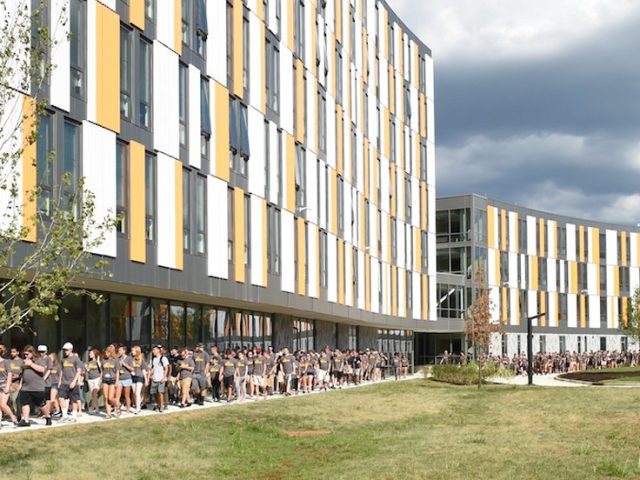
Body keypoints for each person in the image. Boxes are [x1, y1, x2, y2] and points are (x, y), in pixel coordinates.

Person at [18, 345, 51, 427]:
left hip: (37, 387)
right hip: (25, 387)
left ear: (32, 353)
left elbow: (42, 369)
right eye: (24, 354)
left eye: (27, 354)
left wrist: (31, 364)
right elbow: (22, 374)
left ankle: (48, 416)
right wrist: (20, 384)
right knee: (25, 403)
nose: (26, 356)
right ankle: (26, 421)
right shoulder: (24, 361)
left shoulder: (39, 360)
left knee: (40, 404)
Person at [59, 342, 83, 423]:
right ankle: (64, 415)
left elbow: (79, 371)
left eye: (66, 350)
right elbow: (62, 370)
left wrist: (74, 381)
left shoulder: (76, 359)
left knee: (74, 400)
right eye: (64, 350)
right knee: (61, 398)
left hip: (72, 382)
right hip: (64, 382)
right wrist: (60, 380)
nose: (65, 351)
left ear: (71, 350)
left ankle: (74, 416)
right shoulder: (63, 359)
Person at [101, 345, 120, 419]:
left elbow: (117, 371)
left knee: (110, 398)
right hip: (105, 380)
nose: (106, 354)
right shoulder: (103, 360)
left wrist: (117, 381)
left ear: (111, 353)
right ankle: (108, 414)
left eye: (108, 352)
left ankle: (117, 405)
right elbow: (102, 371)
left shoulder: (115, 360)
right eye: (105, 352)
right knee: (106, 398)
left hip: (112, 379)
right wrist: (100, 380)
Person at [149, 345, 170, 412]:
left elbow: (166, 368)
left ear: (158, 350)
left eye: (154, 350)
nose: (153, 351)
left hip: (161, 378)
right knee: (154, 393)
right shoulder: (154, 359)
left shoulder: (163, 358)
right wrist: (150, 375)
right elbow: (154, 368)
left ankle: (161, 406)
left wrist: (164, 378)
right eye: (153, 350)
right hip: (154, 378)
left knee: (160, 392)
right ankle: (158, 404)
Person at [0, 353, 18, 427]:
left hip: (4, 385)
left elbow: (10, 374)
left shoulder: (6, 362)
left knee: (3, 405)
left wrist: (8, 386)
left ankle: (13, 417)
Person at [116, 345, 134, 414]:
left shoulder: (129, 358)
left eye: (120, 350)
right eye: (118, 350)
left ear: (124, 351)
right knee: (118, 395)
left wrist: (125, 365)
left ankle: (128, 409)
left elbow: (132, 369)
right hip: (120, 379)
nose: (119, 352)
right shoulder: (118, 359)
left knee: (127, 395)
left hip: (127, 378)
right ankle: (117, 409)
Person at [131, 346, 148, 414]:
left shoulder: (141, 360)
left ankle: (137, 407)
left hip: (139, 377)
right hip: (133, 377)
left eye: (133, 351)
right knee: (134, 393)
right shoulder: (131, 359)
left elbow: (144, 370)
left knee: (138, 392)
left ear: (137, 351)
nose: (132, 352)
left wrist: (146, 379)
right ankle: (137, 405)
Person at [85, 348, 102, 414]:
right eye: (89, 353)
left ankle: (92, 407)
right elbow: (88, 371)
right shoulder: (88, 362)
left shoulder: (98, 361)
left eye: (91, 353)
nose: (90, 354)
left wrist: (100, 379)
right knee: (93, 394)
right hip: (90, 379)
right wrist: (86, 368)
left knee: (95, 392)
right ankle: (96, 409)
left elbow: (101, 370)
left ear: (95, 354)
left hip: (97, 378)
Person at [47, 352, 61, 417]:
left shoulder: (57, 365)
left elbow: (61, 374)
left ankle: (50, 411)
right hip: (50, 383)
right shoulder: (49, 366)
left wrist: (60, 382)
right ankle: (58, 410)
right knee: (55, 398)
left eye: (51, 358)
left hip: (56, 383)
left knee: (52, 398)